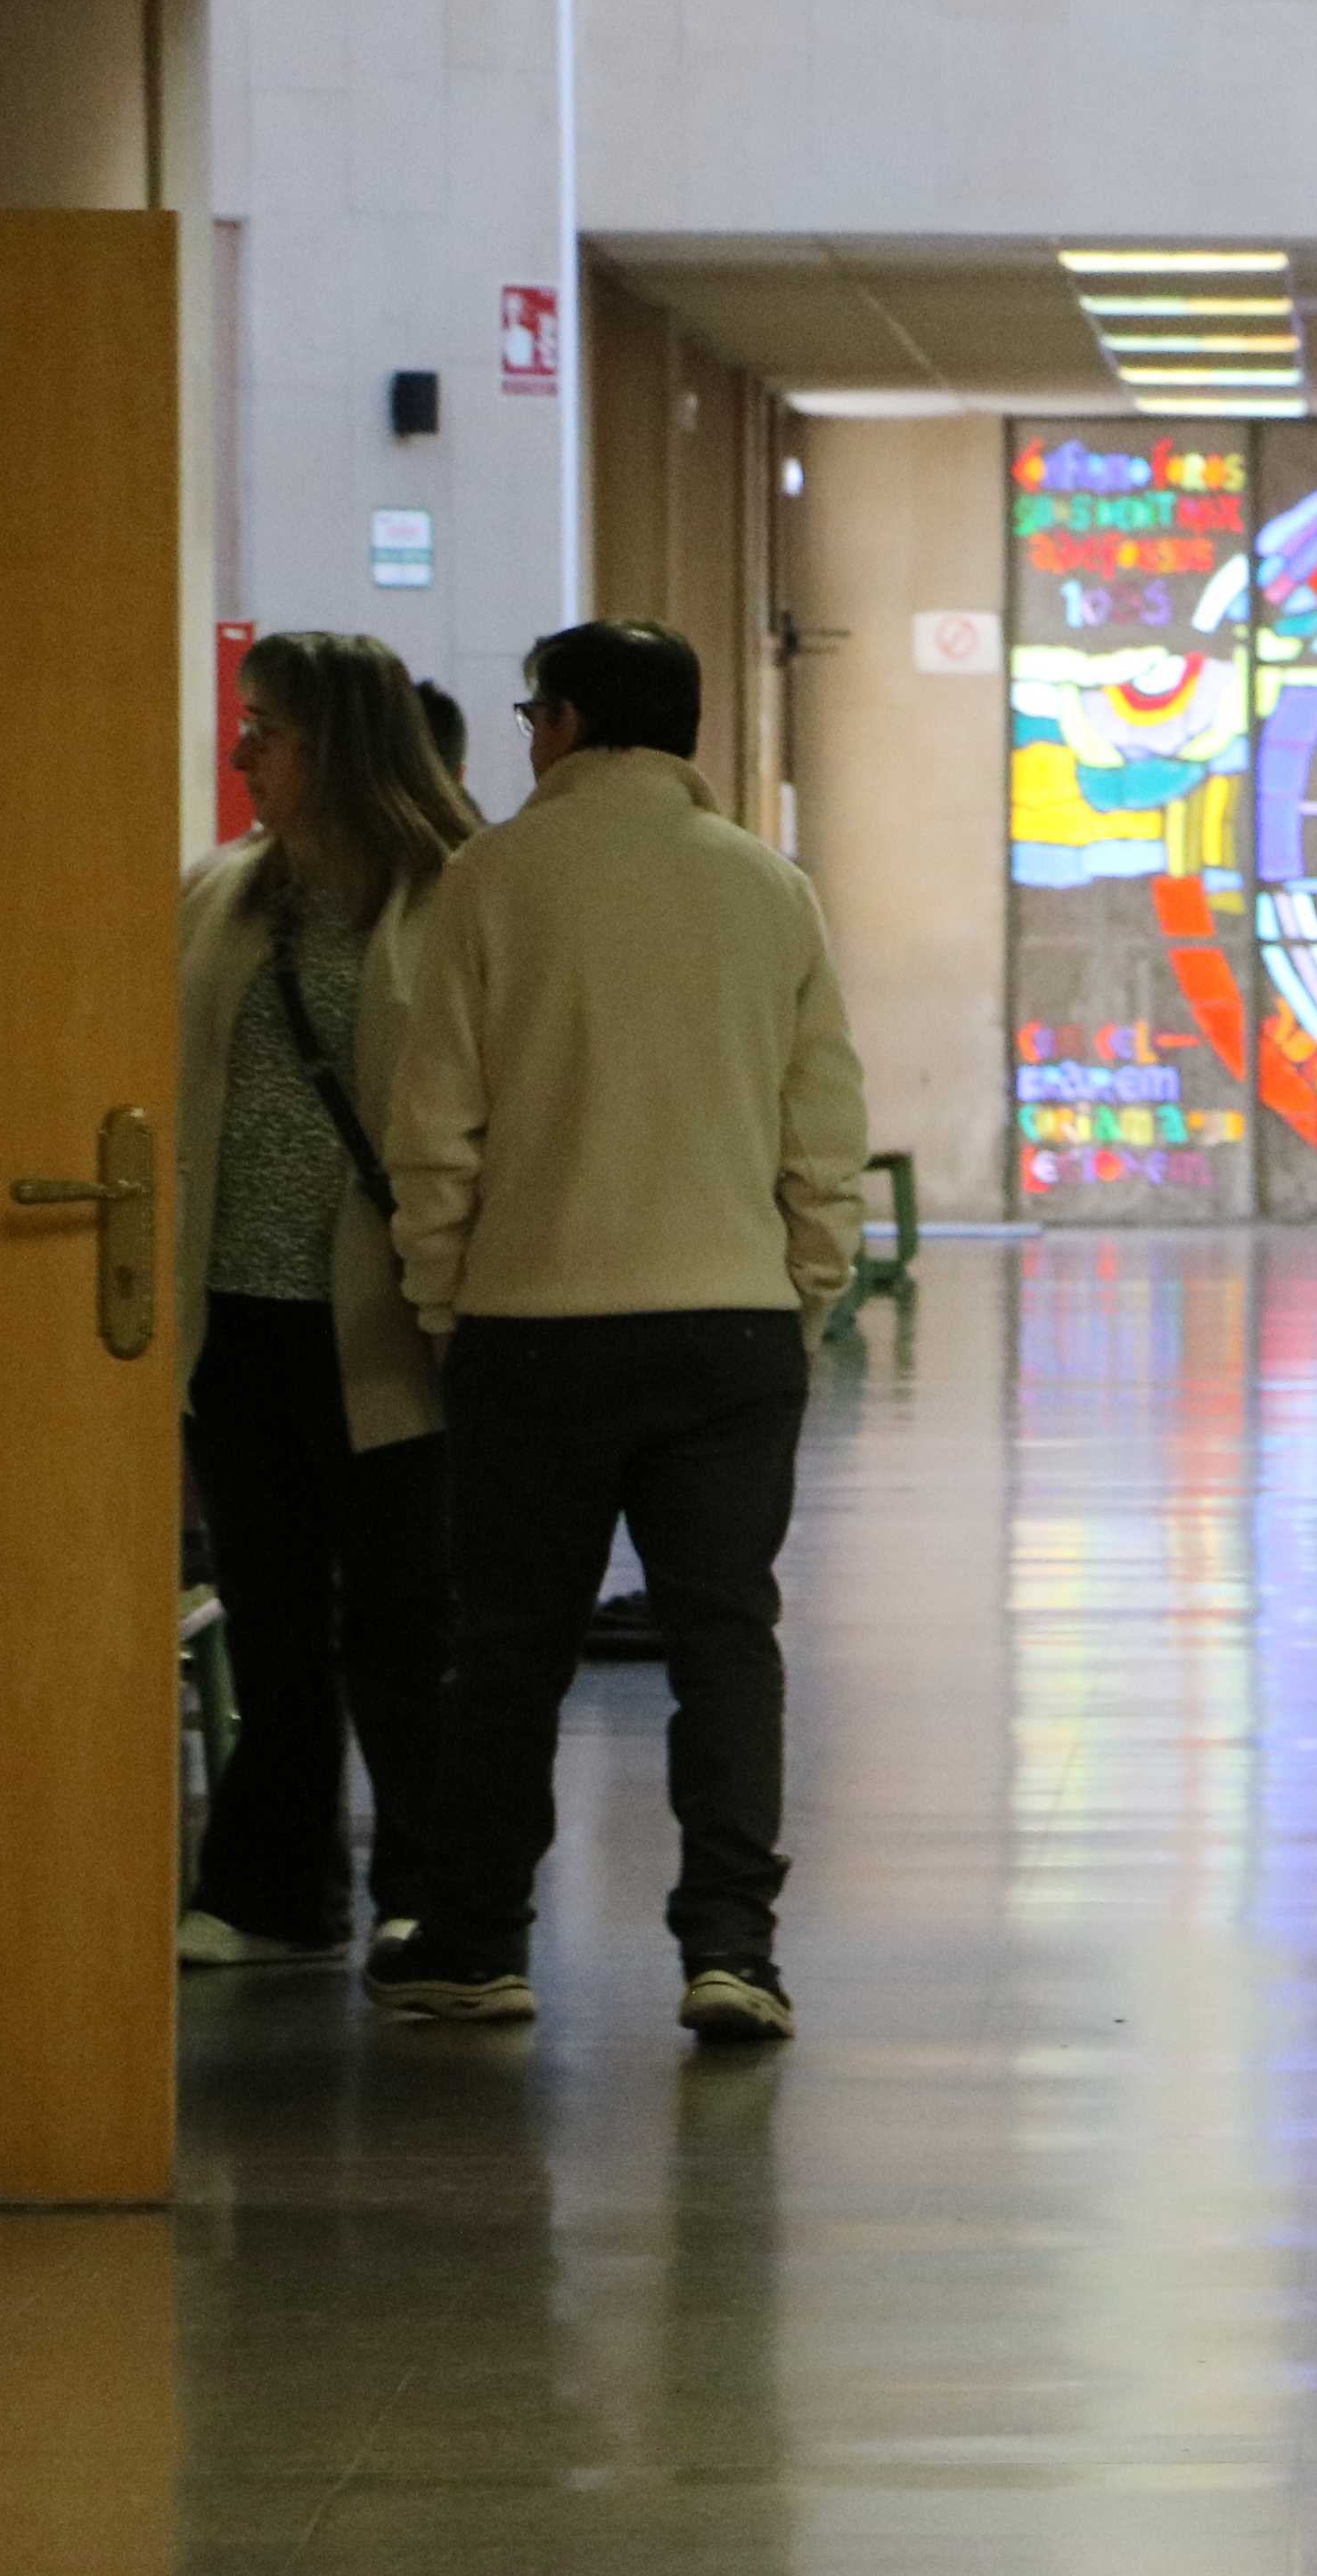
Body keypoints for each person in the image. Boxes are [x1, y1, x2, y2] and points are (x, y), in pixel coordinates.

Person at [379, 619, 870, 2041]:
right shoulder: (769, 887)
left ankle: (478, 1940)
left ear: (567, 721)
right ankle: (732, 1949)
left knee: (509, 1648)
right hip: (730, 1327)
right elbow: (821, 1122)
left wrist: (442, 1298)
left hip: (532, 1326)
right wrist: (802, 1290)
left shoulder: (492, 877)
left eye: (534, 712)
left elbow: (436, 1125)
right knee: (726, 1640)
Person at [173, 631, 485, 1968]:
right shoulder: (221, 892)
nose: (243, 750)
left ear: (342, 745)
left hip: (391, 1314)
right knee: (273, 1612)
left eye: (270, 730)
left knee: (406, 1615)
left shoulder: (455, 894)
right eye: (246, 723)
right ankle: (271, 1890)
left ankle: (431, 1885)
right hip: (237, 1309)